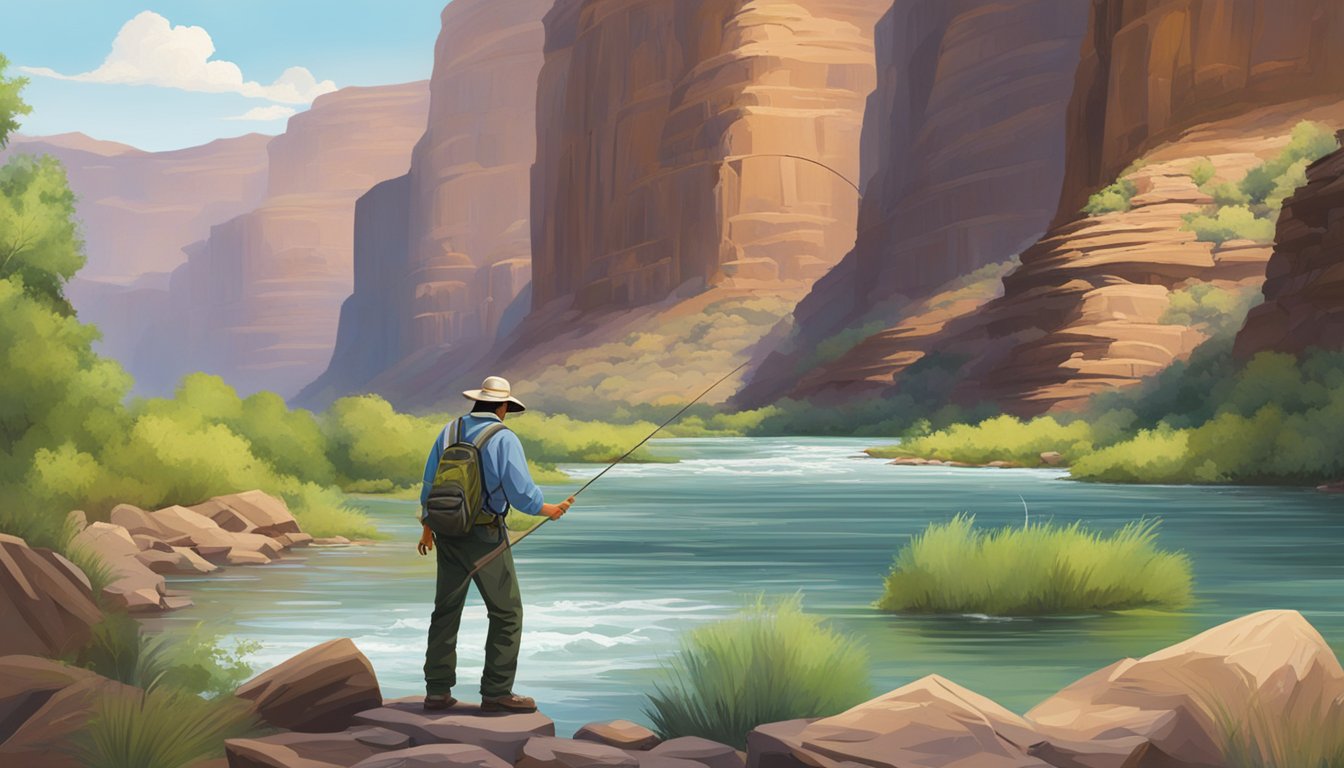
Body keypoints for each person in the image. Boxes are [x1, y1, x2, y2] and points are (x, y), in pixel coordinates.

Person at [417, 375, 574, 713]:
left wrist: (427, 526)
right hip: (485, 535)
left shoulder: (449, 431)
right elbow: (521, 494)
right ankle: (496, 692)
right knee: (506, 612)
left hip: (447, 531)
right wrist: (549, 509)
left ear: (477, 401)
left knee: (446, 610)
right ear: (503, 407)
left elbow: (430, 481)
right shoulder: (503, 438)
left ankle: (436, 692)